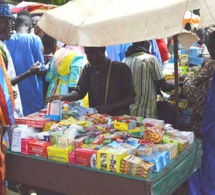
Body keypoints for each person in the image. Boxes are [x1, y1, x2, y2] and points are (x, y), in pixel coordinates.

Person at [47, 47, 136, 116]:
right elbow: (79, 92)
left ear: (102, 50)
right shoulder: (88, 69)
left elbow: (131, 98)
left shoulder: (120, 69)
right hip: (97, 120)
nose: (89, 56)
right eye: (87, 53)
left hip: (118, 120)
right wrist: (62, 97)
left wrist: (109, 107)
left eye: (92, 52)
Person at [185, 25, 215, 194]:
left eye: (212, 46)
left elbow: (210, 104)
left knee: (208, 164)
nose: (209, 50)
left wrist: (204, 127)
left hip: (210, 127)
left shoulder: (211, 66)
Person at [5, 14, 45, 116]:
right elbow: (41, 68)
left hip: (13, 90)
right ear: (29, 26)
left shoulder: (6, 40)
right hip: (32, 92)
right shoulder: (35, 39)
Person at [123, 41, 175, 119]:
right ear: (144, 44)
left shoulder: (124, 61)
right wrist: (177, 83)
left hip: (130, 113)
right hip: (146, 113)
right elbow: (165, 87)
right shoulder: (150, 59)